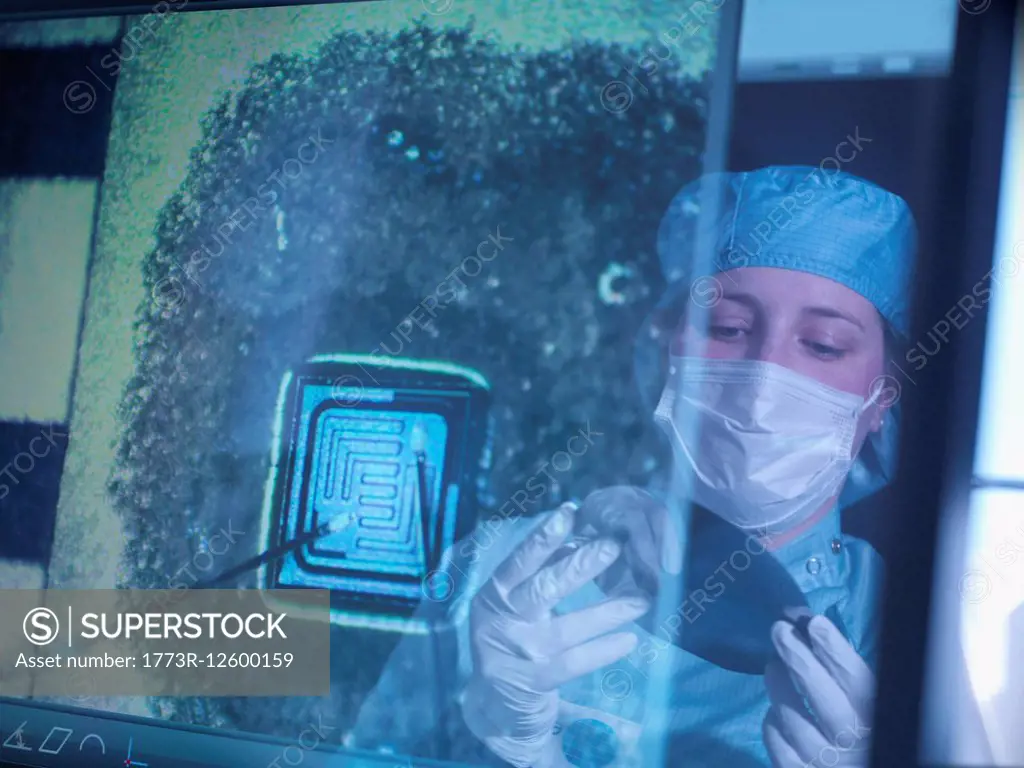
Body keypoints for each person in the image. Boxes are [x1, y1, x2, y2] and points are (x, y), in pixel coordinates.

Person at [348, 166, 976, 767]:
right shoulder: (503, 570)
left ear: (881, 400)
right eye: (727, 327)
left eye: (823, 345)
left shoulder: (905, 629)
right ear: (665, 347)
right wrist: (479, 737)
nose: (763, 380)